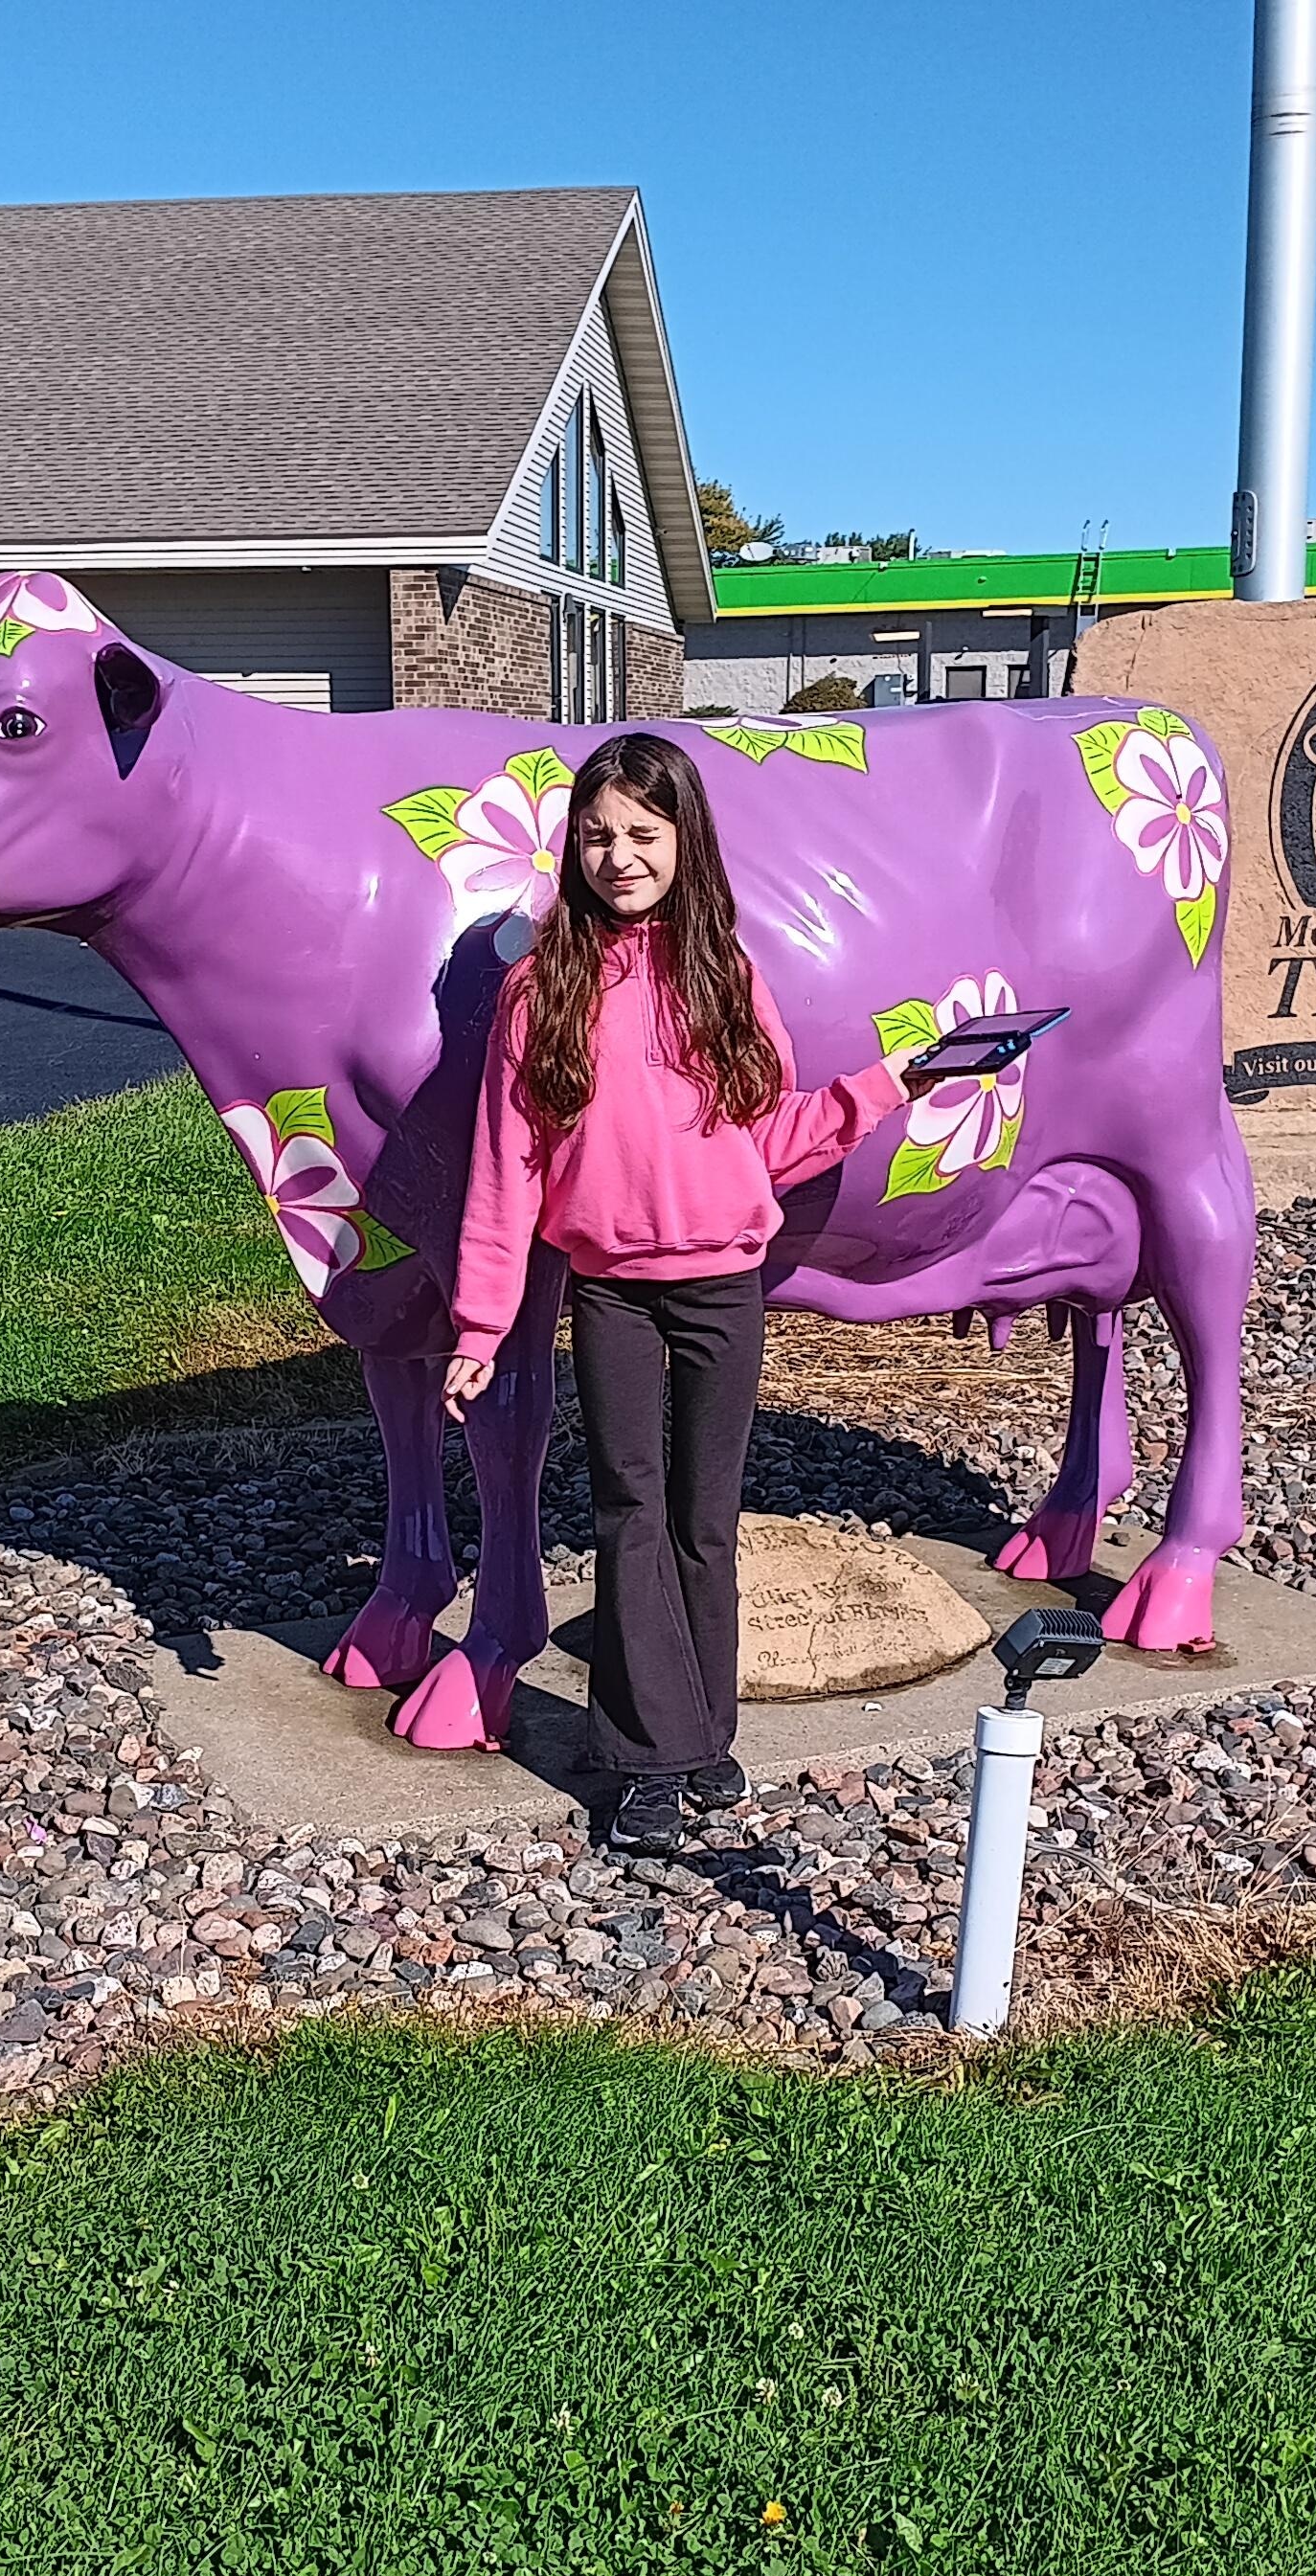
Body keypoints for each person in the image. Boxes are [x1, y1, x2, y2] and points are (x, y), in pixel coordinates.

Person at [441, 730, 961, 1857]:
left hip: (725, 1288)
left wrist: (893, 1084)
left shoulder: (726, 972)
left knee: (703, 1519)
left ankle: (700, 1735)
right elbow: (505, 1164)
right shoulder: (544, 988)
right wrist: (480, 1326)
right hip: (614, 1296)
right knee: (630, 1514)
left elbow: (770, 1134)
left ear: (685, 842)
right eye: (596, 838)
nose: (618, 857)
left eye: (641, 833)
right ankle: (639, 1763)